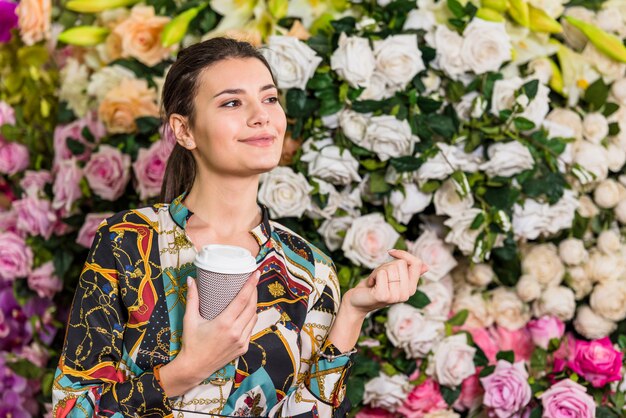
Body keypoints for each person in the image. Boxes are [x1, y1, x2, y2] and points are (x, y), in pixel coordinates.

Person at [52, 37, 428, 418]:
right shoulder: (128, 242)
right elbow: (72, 409)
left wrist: (352, 312)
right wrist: (187, 370)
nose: (261, 116)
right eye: (232, 102)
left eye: (269, 99)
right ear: (184, 131)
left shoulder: (310, 270)